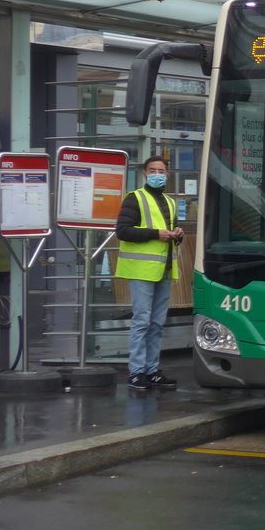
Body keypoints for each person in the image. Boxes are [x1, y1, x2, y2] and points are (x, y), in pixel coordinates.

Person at [115, 155, 183, 390]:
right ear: (145, 174)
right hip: (142, 269)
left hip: (164, 268)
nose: (157, 174)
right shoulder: (134, 198)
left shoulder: (170, 202)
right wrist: (157, 234)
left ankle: (152, 370)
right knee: (142, 321)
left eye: (161, 171)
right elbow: (122, 231)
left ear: (167, 175)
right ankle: (136, 373)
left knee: (156, 323)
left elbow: (169, 233)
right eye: (152, 170)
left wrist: (177, 235)